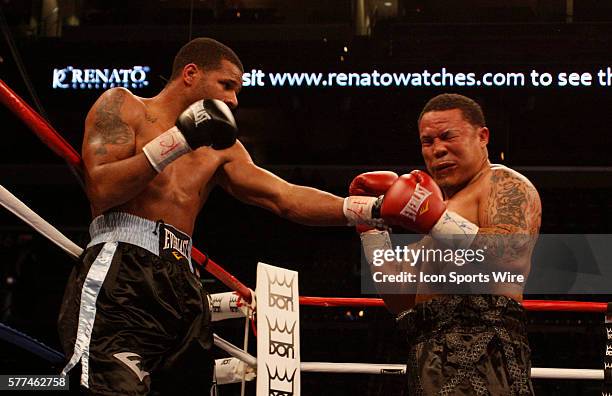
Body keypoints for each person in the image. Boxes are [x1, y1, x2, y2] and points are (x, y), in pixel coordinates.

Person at [57, 37, 377, 395]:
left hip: (183, 281)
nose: (234, 101)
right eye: (227, 85)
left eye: (237, 91)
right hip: (123, 269)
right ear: (191, 74)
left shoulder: (222, 147)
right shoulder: (124, 106)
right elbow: (102, 188)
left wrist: (368, 209)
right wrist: (178, 139)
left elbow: (284, 197)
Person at [354, 93, 541, 395]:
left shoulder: (503, 183)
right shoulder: (439, 210)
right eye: (427, 142)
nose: (438, 150)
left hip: (485, 350)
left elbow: (512, 257)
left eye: (447, 136)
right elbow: (400, 299)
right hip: (427, 354)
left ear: (482, 136)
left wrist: (437, 221)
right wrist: (371, 231)